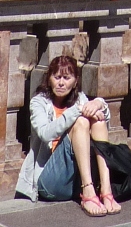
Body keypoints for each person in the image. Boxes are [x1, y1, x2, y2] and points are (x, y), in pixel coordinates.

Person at [15, 55, 121, 216]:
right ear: (49, 79)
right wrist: (76, 111)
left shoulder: (78, 99)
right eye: (56, 77)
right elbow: (45, 133)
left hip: (75, 179)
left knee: (97, 120)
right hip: (50, 182)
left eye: (66, 78)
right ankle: (88, 194)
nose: (61, 83)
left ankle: (106, 190)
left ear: (75, 80)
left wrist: (98, 103)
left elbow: (100, 113)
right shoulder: (39, 102)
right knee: (81, 121)